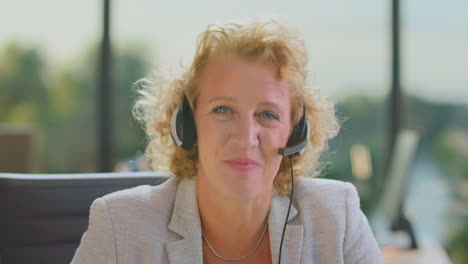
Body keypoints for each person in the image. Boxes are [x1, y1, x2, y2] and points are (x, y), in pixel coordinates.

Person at [71, 16, 383, 264]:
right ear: (188, 124)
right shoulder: (120, 226)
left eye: (267, 115)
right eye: (223, 109)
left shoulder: (337, 217)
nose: (246, 138)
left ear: (295, 133)